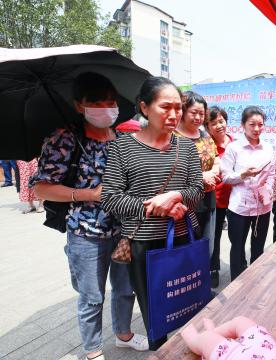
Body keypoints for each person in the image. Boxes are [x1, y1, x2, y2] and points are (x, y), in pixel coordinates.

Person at [31, 72, 147, 360]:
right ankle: (93, 350)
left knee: (125, 288)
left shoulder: (122, 137)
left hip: (124, 232)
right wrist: (87, 194)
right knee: (92, 297)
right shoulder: (64, 137)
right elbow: (41, 188)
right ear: (79, 105)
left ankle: (123, 334)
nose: (105, 107)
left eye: (110, 101)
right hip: (86, 234)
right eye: (95, 101)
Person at [101, 76, 203, 350]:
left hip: (184, 239)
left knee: (189, 300)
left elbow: (197, 191)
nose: (174, 115)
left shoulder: (187, 147)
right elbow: (110, 198)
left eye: (178, 108)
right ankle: (161, 352)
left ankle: (192, 348)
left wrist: (177, 196)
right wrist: (154, 204)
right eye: (165, 107)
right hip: (145, 246)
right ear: (145, 108)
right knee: (155, 312)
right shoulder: (122, 148)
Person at [220, 106, 275, 280]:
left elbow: (272, 174)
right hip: (239, 208)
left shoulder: (268, 148)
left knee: (258, 247)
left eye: (260, 124)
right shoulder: (234, 148)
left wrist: (269, 188)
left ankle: (256, 281)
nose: (257, 128)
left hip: (262, 207)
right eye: (252, 124)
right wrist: (243, 174)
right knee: (237, 247)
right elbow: (226, 176)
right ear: (243, 125)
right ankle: (236, 282)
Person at [175, 91, 219, 264]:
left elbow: (215, 158)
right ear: (183, 111)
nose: (198, 117)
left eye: (202, 113)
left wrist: (215, 169)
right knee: (186, 248)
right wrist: (201, 176)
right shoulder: (173, 137)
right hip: (186, 201)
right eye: (194, 113)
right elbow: (173, 170)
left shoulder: (205, 135)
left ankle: (201, 286)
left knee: (206, 246)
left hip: (208, 198)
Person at [204, 106, 234, 288]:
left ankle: (239, 264)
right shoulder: (207, 147)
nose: (219, 126)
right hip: (216, 200)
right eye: (213, 123)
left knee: (236, 236)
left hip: (236, 200)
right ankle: (213, 268)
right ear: (207, 127)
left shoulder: (236, 144)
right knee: (214, 237)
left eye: (221, 121)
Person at [181, 316, 276, 360]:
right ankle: (213, 333)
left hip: (235, 356)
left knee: (206, 338)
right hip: (268, 351)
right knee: (241, 321)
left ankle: (195, 340)